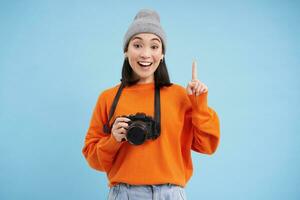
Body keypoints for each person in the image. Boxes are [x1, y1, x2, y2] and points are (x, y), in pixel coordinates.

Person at [82, 8, 220, 200]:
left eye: (154, 47)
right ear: (125, 50)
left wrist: (199, 104)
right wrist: (113, 140)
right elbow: (93, 160)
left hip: (170, 194)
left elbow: (208, 146)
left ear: (162, 54)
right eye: (137, 45)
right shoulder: (108, 98)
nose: (145, 54)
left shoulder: (180, 96)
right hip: (124, 194)